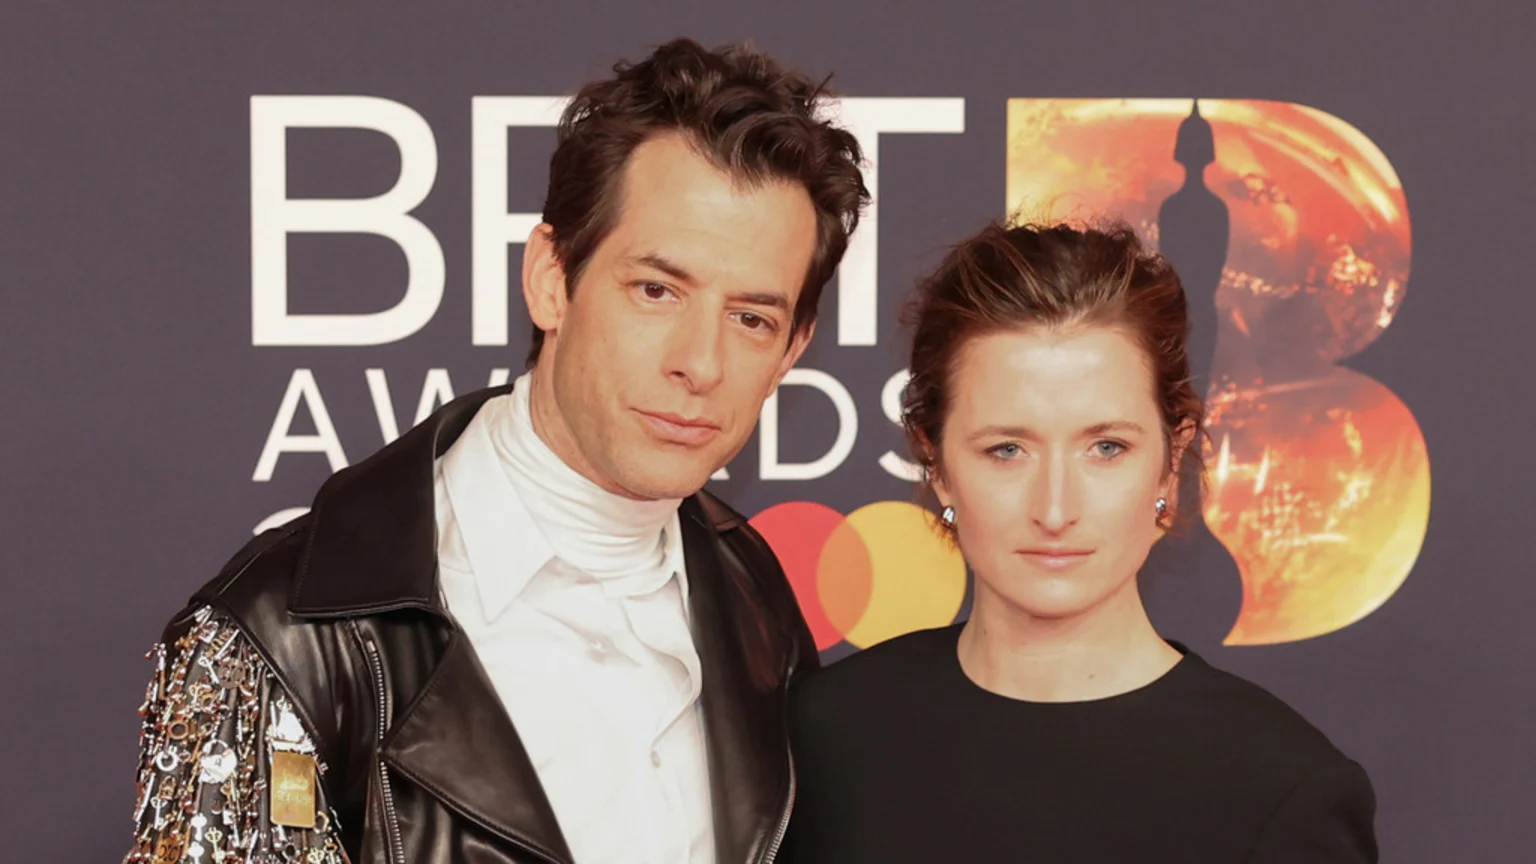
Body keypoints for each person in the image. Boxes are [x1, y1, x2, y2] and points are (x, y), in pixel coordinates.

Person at [124, 39, 867, 864]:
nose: (701, 363)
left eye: (752, 318)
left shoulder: (752, 592)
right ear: (552, 278)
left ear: (794, 349)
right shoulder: (282, 633)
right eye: (657, 291)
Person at [782, 221, 1378, 863]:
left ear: (1171, 463)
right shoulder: (822, 736)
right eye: (1007, 450)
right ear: (937, 465)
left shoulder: (1282, 789)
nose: (1056, 509)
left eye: (1106, 448)